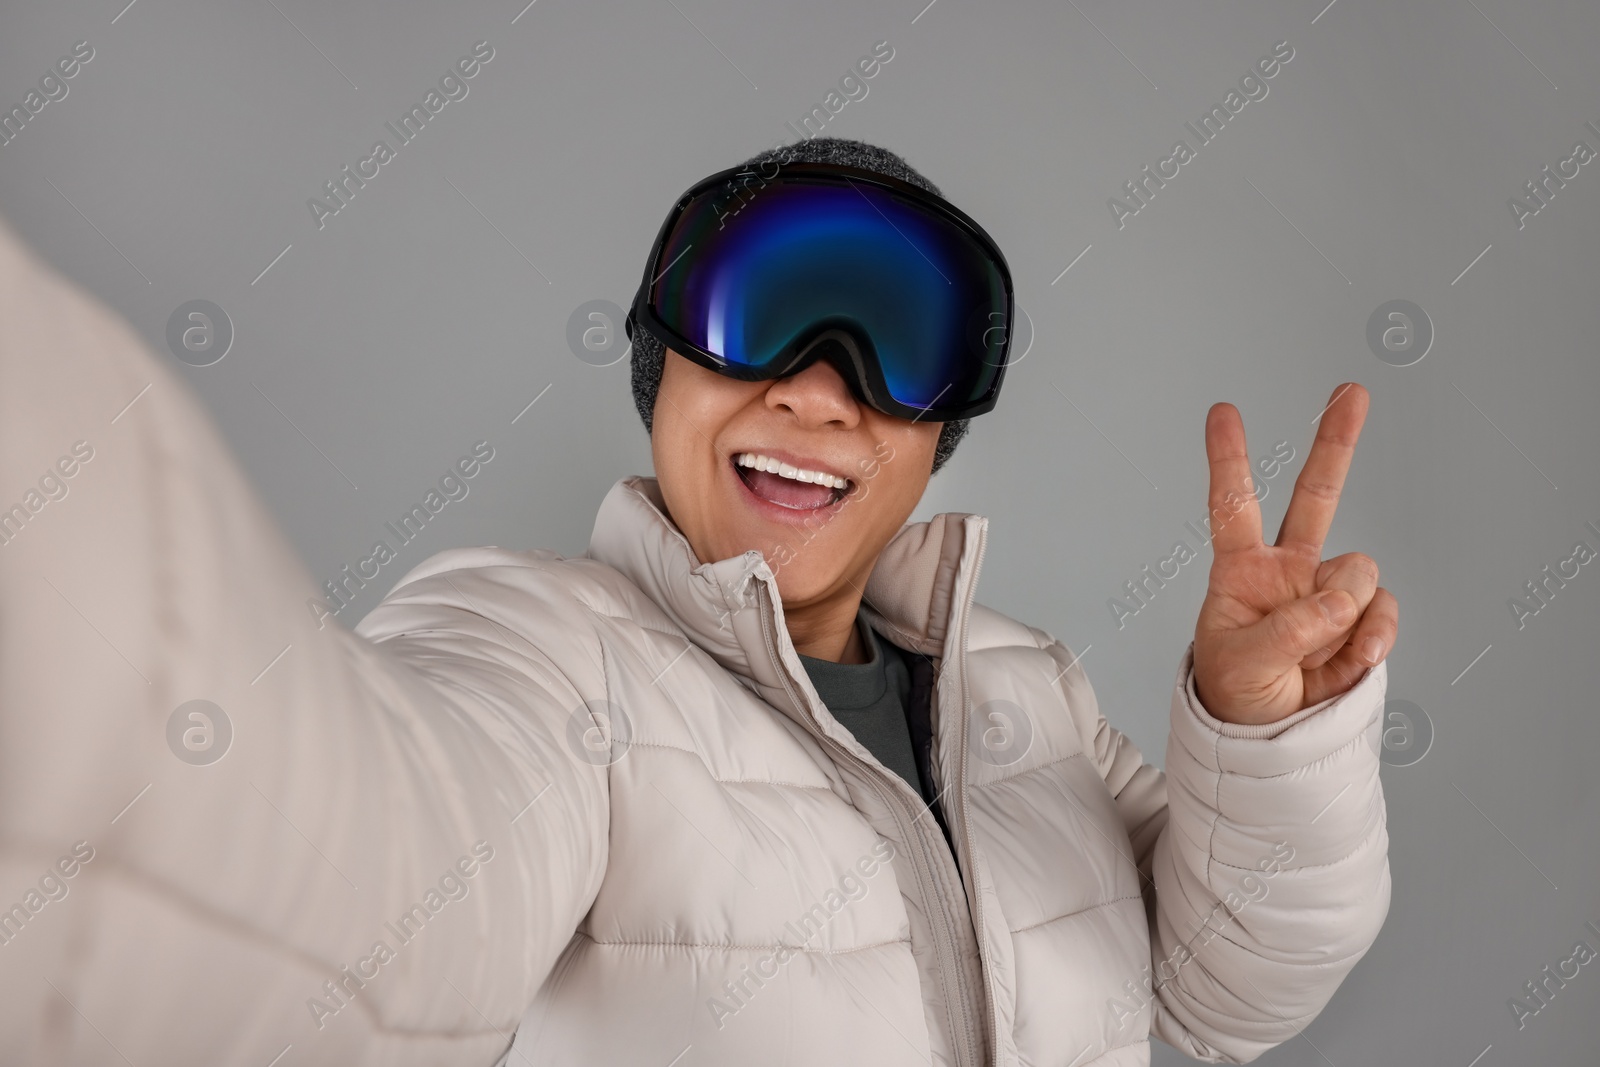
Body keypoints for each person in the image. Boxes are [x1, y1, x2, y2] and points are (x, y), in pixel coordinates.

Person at [0, 137, 1396, 1066]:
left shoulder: (1029, 691)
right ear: (659, 369)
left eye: (891, 346)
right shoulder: (544, 654)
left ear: (935, 439)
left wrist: (1257, 737)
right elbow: (368, 875)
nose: (815, 389)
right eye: (758, 312)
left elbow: (1224, 1001)